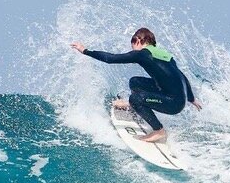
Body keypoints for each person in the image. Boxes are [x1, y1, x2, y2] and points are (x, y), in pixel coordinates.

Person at [71, 28, 202, 142]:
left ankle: (159, 131)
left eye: (133, 45)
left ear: (138, 41)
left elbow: (111, 59)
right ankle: (136, 106)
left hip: (172, 103)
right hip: (177, 98)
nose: (132, 50)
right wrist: (191, 98)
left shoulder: (142, 55)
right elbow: (182, 77)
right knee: (135, 82)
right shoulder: (164, 54)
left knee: (135, 98)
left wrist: (85, 51)